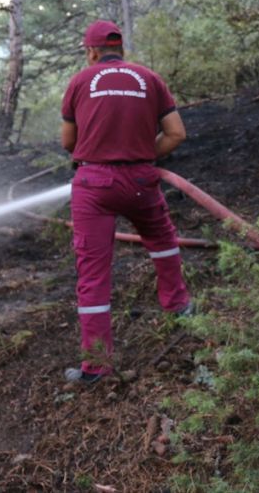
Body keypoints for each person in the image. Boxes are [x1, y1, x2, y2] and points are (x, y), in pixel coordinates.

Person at [60, 20, 192, 384]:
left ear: (91, 52)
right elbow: (177, 133)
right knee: (163, 241)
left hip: (93, 184)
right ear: (122, 49)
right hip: (140, 180)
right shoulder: (149, 78)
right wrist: (141, 154)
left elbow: (68, 143)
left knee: (93, 274)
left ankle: (96, 367)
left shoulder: (79, 82)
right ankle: (178, 306)